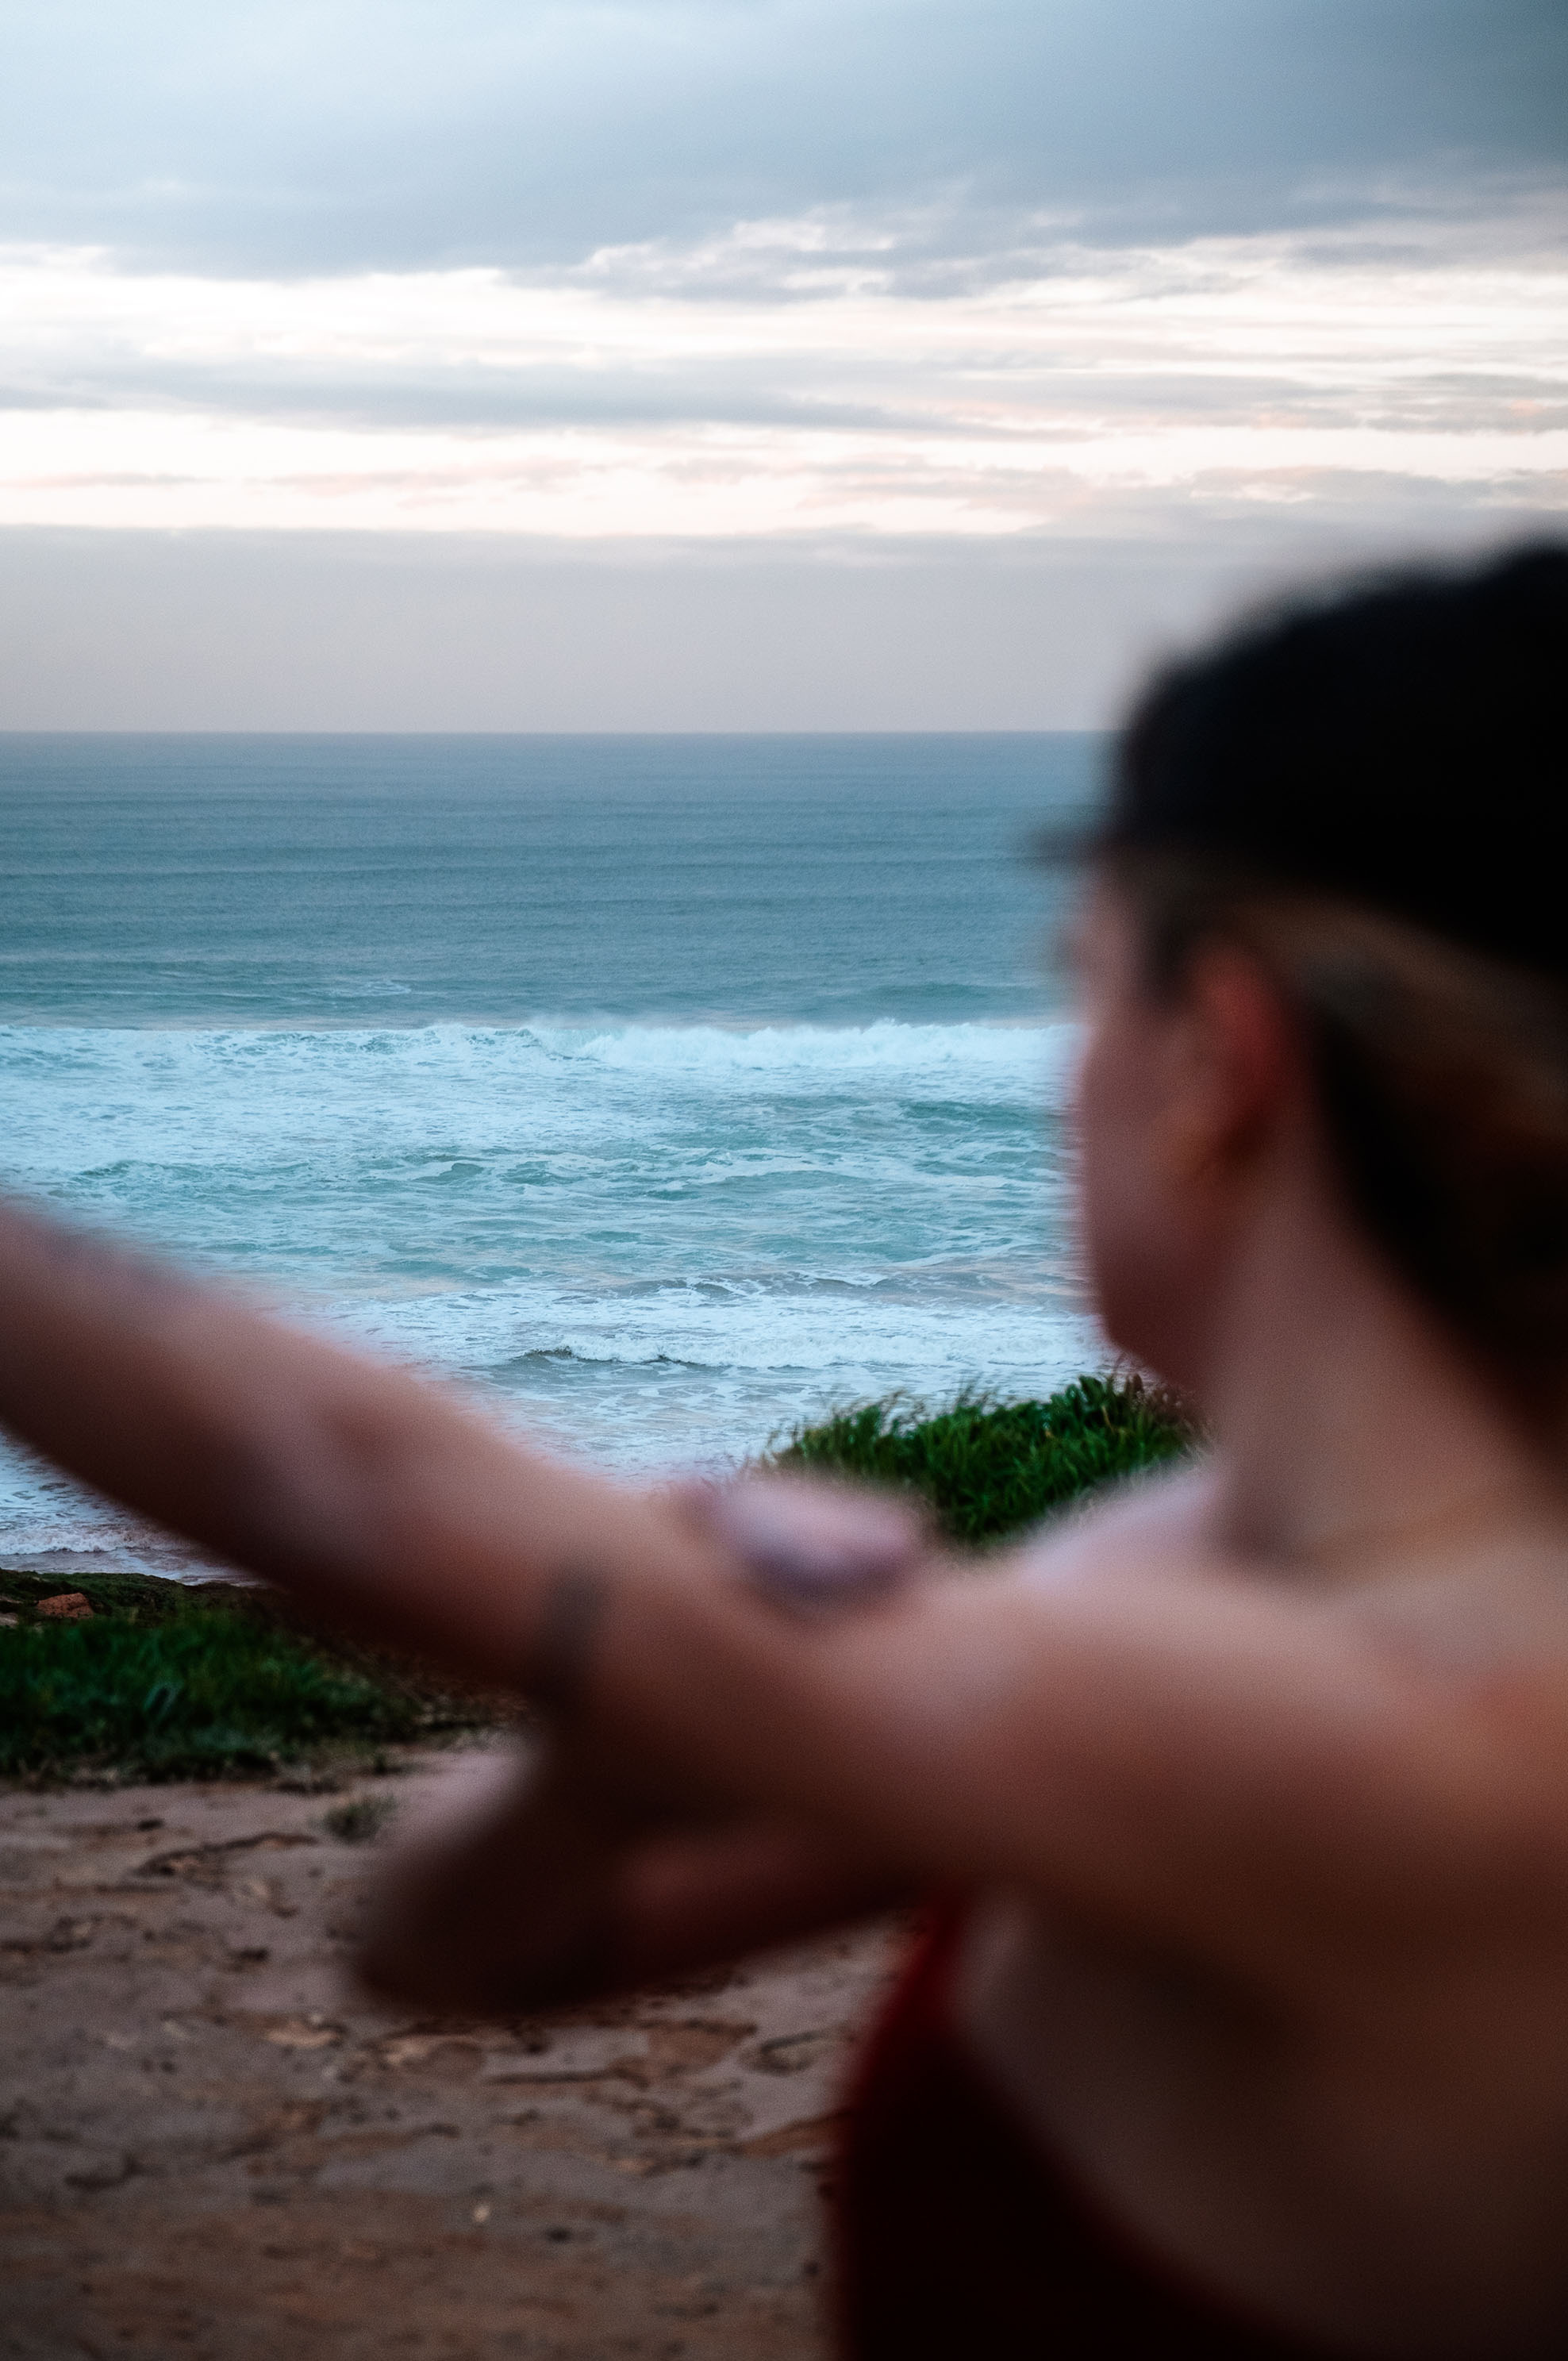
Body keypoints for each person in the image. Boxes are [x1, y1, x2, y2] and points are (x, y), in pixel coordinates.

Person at [2, 541, 1567, 2357]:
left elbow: (340, 1480)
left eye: (1083, 992)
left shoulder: (1448, 1738)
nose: (1064, 1076)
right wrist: (623, 1748)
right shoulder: (1179, 1568)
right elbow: (445, 1944)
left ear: (1218, 1062)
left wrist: (682, 1636)